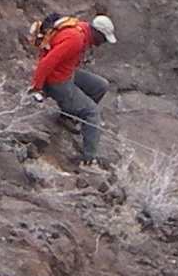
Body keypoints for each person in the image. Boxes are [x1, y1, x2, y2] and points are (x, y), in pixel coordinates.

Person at [30, 12, 116, 163]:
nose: (104, 43)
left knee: (101, 86)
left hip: (67, 73)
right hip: (57, 82)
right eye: (103, 39)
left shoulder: (82, 29)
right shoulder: (75, 39)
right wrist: (37, 87)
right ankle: (88, 157)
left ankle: (67, 117)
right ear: (96, 32)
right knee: (92, 113)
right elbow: (47, 62)